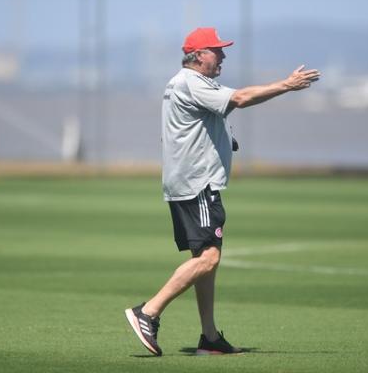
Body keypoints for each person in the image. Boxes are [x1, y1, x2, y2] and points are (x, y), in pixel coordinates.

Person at [124, 27, 321, 356]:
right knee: (210, 257)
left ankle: (210, 337)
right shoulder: (192, 82)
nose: (224, 56)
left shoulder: (185, 83)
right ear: (198, 56)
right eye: (217, 50)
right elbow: (241, 99)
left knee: (205, 259)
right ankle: (148, 312)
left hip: (186, 182)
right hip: (198, 184)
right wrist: (287, 84)